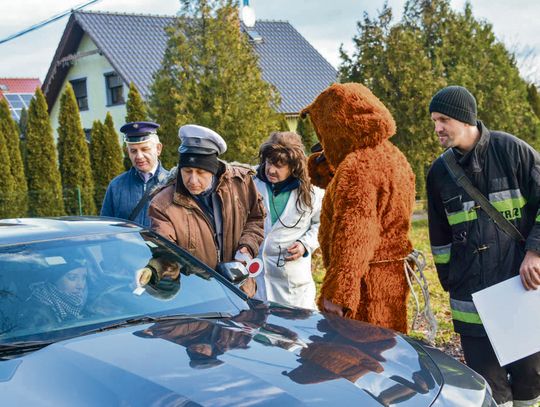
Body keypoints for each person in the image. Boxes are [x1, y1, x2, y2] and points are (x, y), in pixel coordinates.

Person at [426, 85, 540, 407]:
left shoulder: (513, 152)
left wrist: (535, 252)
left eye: (443, 119)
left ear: (466, 119)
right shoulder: (439, 173)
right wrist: (451, 280)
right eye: (434, 120)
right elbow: (439, 236)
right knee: (488, 387)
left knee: (529, 379)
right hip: (471, 300)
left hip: (520, 291)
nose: (437, 128)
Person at [148, 124, 265, 297]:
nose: (192, 180)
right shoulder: (162, 204)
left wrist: (247, 246)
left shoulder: (240, 183)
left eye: (201, 172)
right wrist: (161, 267)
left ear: (213, 170)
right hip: (199, 300)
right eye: (187, 171)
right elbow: (166, 250)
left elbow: (256, 218)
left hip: (241, 291)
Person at [253, 132, 323, 309]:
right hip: (256, 279)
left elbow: (321, 223)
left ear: (294, 166)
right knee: (258, 332)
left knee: (294, 334)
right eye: (269, 162)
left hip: (292, 285)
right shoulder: (251, 183)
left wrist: (305, 244)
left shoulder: (312, 192)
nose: (271, 170)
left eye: (279, 165)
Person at [100, 121, 169, 227]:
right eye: (133, 151)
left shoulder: (172, 184)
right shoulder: (116, 186)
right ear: (128, 152)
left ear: (158, 149)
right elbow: (106, 228)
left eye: (145, 149)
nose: (139, 156)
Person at [25, 260, 88, 326]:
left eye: (84, 278)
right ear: (55, 280)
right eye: (72, 278)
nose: (81, 286)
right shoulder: (36, 311)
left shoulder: (84, 302)